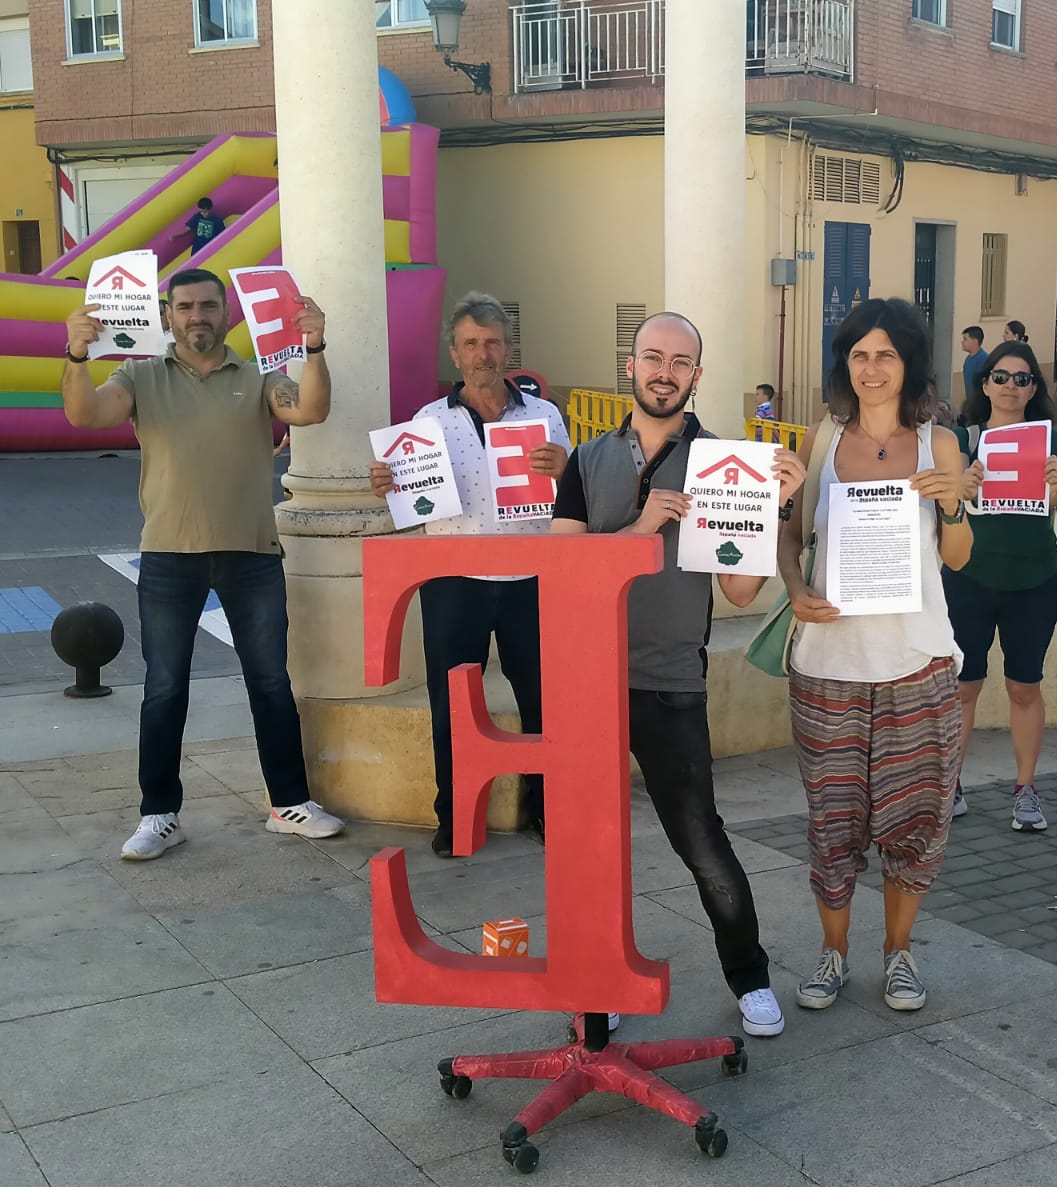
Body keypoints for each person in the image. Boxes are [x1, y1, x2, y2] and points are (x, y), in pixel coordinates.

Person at [551, 311, 804, 1039]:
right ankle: (602, 984)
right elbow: (564, 577)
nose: (665, 371)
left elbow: (742, 594)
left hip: (669, 682)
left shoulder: (729, 464)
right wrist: (637, 533)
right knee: (591, 848)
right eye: (652, 357)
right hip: (587, 681)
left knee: (700, 840)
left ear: (698, 375)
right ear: (631, 366)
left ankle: (750, 978)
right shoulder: (586, 458)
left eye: (680, 361)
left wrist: (778, 509)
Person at [62, 268, 344, 861]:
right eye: (186, 306)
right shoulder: (138, 375)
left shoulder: (260, 377)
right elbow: (86, 415)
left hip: (251, 553)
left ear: (226, 314)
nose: (198, 316)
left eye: (209, 306)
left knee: (270, 682)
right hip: (168, 555)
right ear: (167, 314)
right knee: (164, 689)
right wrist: (76, 353)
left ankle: (289, 802)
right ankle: (159, 814)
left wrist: (314, 347)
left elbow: (311, 411)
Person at [778, 298, 971, 1013]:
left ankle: (899, 954)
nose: (871, 367)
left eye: (886, 354)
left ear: (909, 363)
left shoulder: (939, 445)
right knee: (832, 823)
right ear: (845, 363)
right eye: (859, 353)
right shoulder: (821, 438)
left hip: (917, 661)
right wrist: (795, 588)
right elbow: (790, 534)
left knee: (917, 821)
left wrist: (953, 506)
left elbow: (958, 556)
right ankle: (833, 955)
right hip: (829, 661)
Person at [368, 292, 568, 854]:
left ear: (508, 349)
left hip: (532, 579)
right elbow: (413, 506)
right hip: (453, 582)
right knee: (453, 703)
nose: (484, 354)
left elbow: (574, 502)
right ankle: (455, 815)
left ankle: (545, 807)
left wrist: (566, 468)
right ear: (454, 353)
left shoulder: (544, 416)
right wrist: (389, 488)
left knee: (542, 701)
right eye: (472, 344)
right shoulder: (427, 425)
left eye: (493, 343)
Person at [944, 341, 1057, 828]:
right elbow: (946, 507)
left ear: (1034, 388)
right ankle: (950, 786)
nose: (1011, 386)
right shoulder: (962, 439)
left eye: (1022, 378)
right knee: (962, 688)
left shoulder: (1052, 440)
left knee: (1024, 686)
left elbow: (1055, 499)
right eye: (1001, 376)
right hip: (968, 578)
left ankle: (1025, 789)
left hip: (1033, 578)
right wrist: (963, 486)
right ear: (984, 383)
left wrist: (1056, 484)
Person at [960, 325, 988, 408]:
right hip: (971, 403)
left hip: (980, 405)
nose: (962, 342)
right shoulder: (968, 359)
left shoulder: (984, 360)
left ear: (975, 341)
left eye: (965, 339)